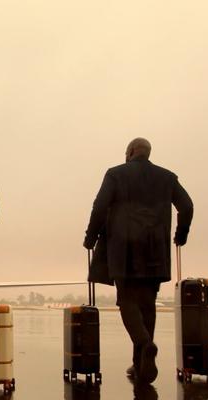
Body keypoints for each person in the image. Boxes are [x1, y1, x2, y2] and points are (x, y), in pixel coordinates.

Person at [83, 138, 193, 384]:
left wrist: (90, 237)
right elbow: (187, 206)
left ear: (131, 152)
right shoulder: (167, 177)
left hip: (124, 248)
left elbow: (99, 206)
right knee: (147, 305)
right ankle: (140, 364)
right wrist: (181, 234)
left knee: (127, 301)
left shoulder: (115, 175)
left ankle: (145, 344)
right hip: (156, 250)